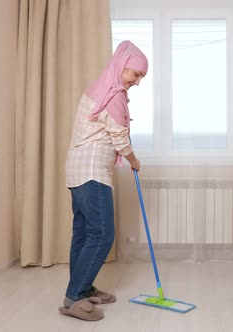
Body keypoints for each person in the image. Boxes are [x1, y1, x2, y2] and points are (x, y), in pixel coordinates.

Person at [59, 40, 147, 321]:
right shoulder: (115, 96)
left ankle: (81, 289)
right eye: (135, 74)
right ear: (123, 65)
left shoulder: (98, 89)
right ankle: (74, 297)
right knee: (103, 234)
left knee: (84, 234)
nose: (136, 81)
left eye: (141, 77)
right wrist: (134, 161)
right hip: (92, 173)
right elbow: (120, 138)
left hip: (76, 170)